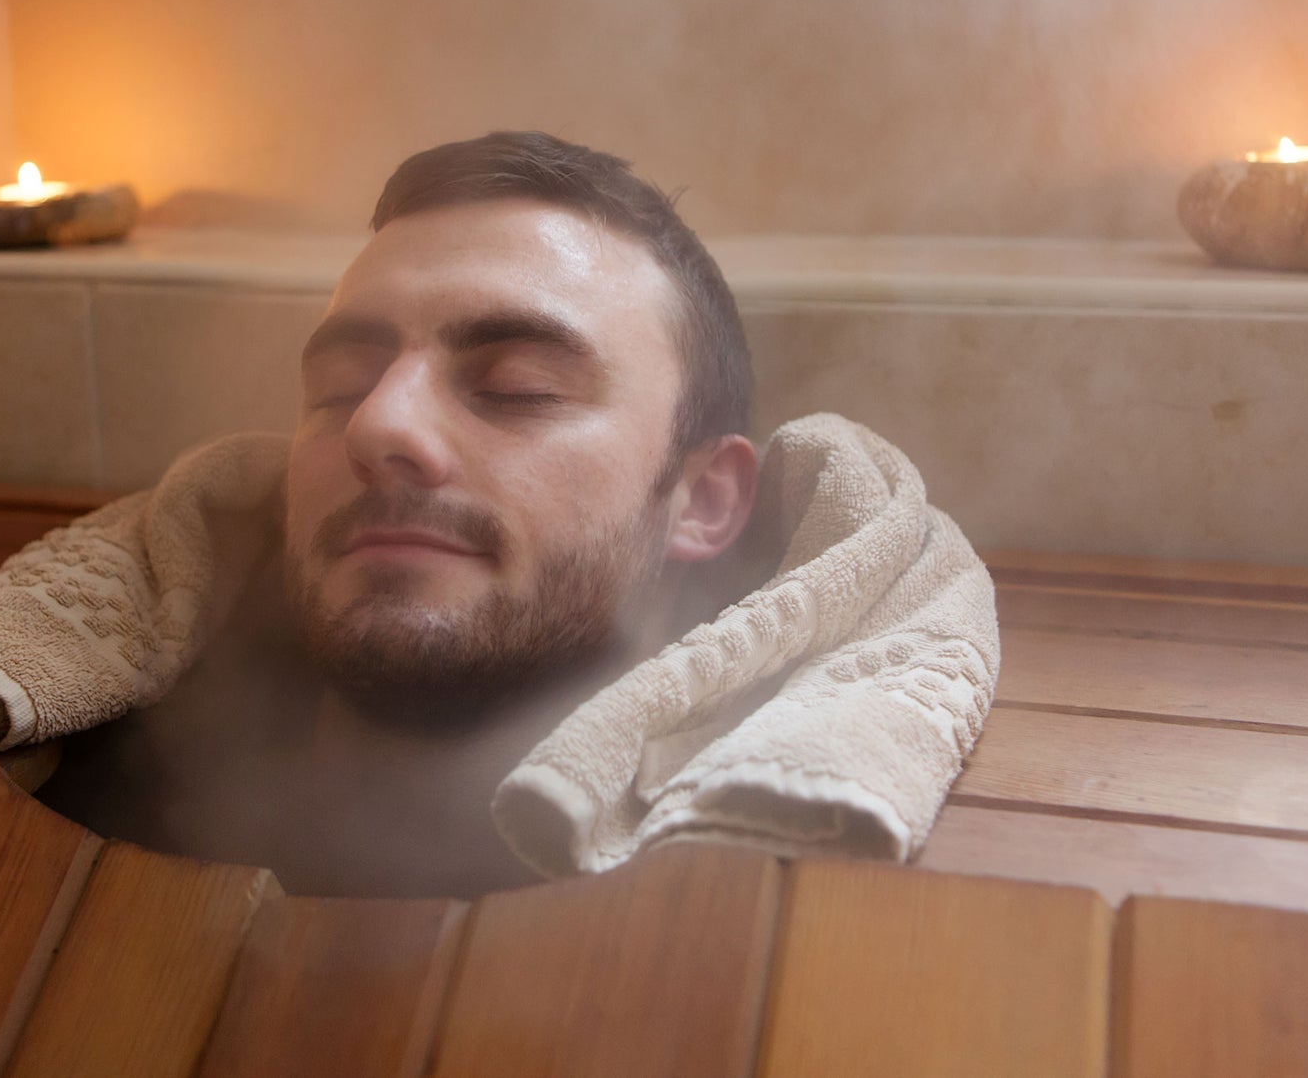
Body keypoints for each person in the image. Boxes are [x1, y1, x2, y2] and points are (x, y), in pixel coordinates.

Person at [38, 131, 767, 896]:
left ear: (704, 499)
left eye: (518, 386)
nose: (378, 424)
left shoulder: (757, 885)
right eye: (342, 386)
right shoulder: (75, 794)